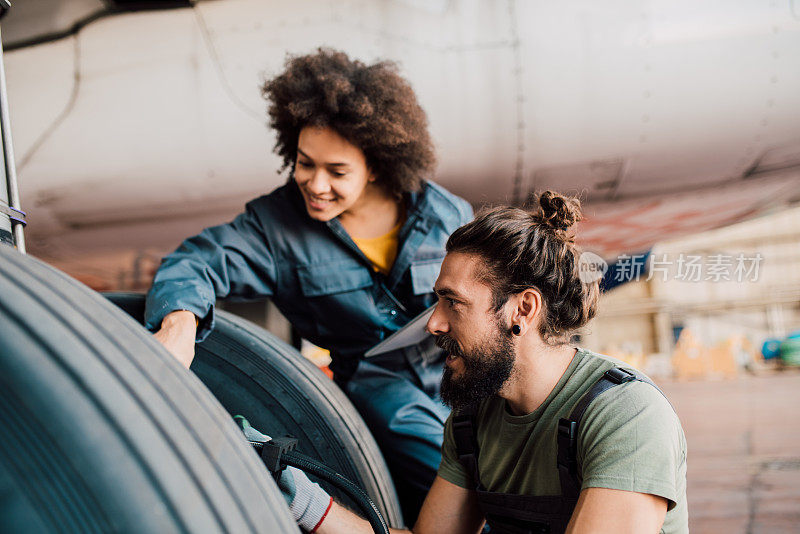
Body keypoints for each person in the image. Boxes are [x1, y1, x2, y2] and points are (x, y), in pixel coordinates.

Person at [144, 48, 472, 525]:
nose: (316, 185)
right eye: (304, 164)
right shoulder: (272, 228)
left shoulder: (446, 215)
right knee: (460, 478)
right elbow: (196, 261)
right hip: (376, 391)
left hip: (459, 379)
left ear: (376, 165)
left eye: (337, 172)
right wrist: (178, 324)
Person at [275, 191, 688, 534]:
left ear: (522, 311)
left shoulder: (626, 416)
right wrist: (301, 498)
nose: (433, 323)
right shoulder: (473, 419)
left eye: (453, 302)